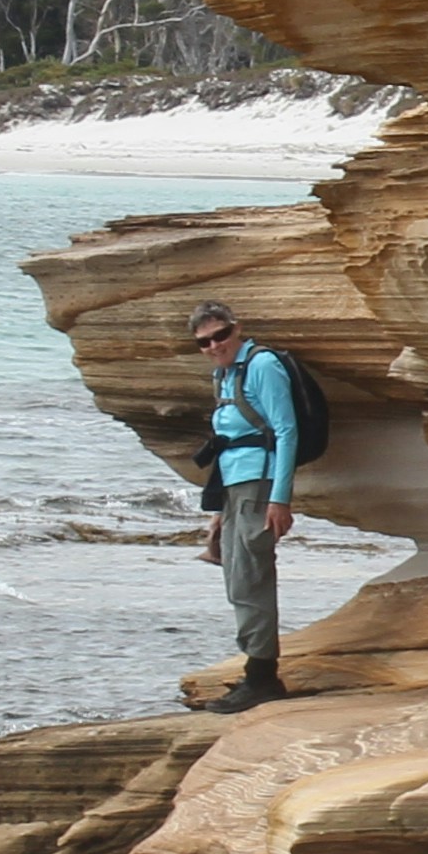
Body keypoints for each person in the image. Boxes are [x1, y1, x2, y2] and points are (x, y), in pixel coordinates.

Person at [185, 300, 304, 714]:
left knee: (251, 576)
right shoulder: (225, 374)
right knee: (236, 577)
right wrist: (219, 507)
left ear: (237, 329)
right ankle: (256, 670)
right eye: (205, 341)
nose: (214, 345)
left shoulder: (261, 365)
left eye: (220, 335)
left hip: (259, 482)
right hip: (235, 483)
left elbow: (287, 430)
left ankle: (263, 678)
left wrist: (280, 497)